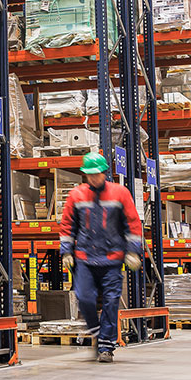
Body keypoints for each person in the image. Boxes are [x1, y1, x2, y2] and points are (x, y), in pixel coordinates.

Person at [59, 152, 144, 363]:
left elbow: (133, 223)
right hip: (85, 258)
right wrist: (66, 252)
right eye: (89, 175)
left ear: (104, 172)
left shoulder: (120, 193)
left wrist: (133, 250)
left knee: (111, 301)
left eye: (96, 174)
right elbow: (67, 225)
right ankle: (97, 330)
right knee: (85, 297)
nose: (93, 178)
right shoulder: (76, 195)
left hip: (112, 258)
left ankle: (106, 346)